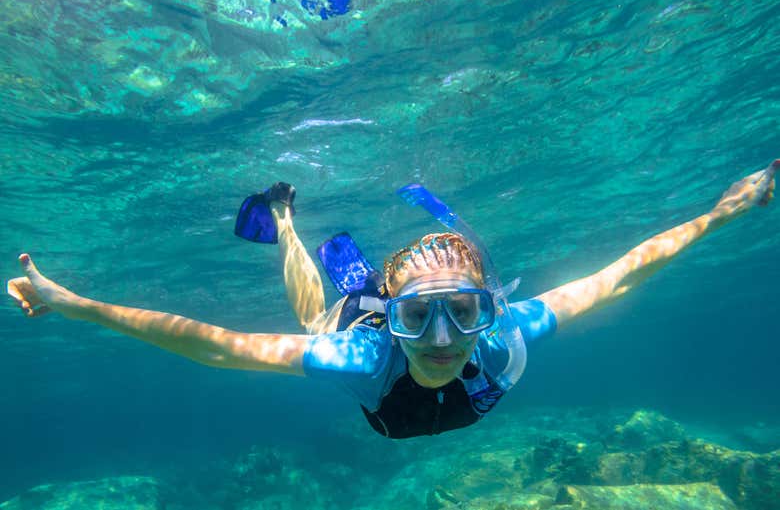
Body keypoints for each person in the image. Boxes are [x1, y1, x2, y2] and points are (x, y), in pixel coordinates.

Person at [7, 160, 778, 438]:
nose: (444, 338)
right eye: (419, 316)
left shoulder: (507, 333)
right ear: (395, 320)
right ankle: (282, 216)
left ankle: (346, 259)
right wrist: (73, 302)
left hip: (386, 308)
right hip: (357, 311)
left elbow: (621, 273)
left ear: (488, 309)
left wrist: (724, 211)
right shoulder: (362, 353)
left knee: (354, 306)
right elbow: (213, 342)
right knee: (317, 314)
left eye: (462, 312)